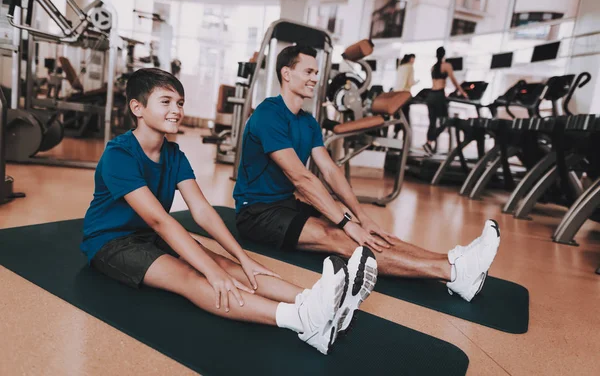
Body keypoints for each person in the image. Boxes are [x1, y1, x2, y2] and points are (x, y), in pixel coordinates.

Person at [80, 68, 378, 355]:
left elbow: (202, 211)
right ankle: (303, 320)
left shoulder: (174, 154)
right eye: (166, 102)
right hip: (111, 242)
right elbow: (160, 220)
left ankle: (317, 301)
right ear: (137, 107)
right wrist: (211, 272)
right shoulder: (118, 154)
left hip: (149, 234)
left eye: (180, 103)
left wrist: (243, 259)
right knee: (193, 276)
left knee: (227, 266)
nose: (177, 110)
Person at [234, 45, 501, 303]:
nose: (315, 78)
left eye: (316, 72)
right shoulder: (268, 114)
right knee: (338, 236)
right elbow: (301, 179)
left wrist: (361, 216)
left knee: (366, 232)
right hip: (256, 213)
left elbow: (329, 170)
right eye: (308, 72)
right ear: (286, 73)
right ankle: (452, 274)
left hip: (286, 205)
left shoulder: (308, 121)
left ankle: (454, 260)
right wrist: (346, 223)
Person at [423, 46, 467, 155]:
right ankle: (430, 141)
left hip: (431, 95)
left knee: (432, 122)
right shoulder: (446, 66)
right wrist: (462, 92)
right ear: (444, 55)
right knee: (445, 121)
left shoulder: (433, 67)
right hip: (439, 95)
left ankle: (428, 143)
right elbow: (454, 80)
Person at [395, 53, 417, 127]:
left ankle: (396, 131)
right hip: (405, 94)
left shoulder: (401, 67)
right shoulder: (410, 67)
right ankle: (406, 132)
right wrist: (416, 82)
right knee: (405, 114)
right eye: (413, 59)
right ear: (411, 59)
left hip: (397, 93)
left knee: (399, 113)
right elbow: (410, 82)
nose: (414, 61)